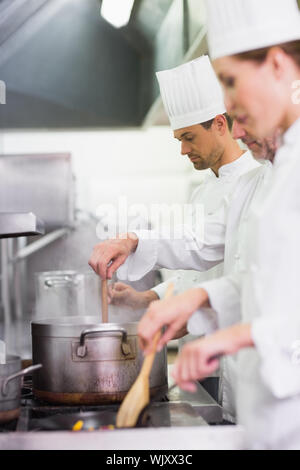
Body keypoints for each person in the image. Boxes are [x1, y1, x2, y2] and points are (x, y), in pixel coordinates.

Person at [138, 0, 300, 450]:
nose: (227, 107)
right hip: (266, 416)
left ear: (277, 64)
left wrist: (234, 334)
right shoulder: (282, 168)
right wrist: (197, 296)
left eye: (230, 83)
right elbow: (268, 281)